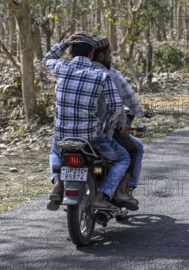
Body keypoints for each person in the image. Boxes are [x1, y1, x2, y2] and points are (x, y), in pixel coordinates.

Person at [43, 32, 138, 212]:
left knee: (54, 149)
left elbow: (46, 59)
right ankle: (101, 196)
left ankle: (57, 182)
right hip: (91, 137)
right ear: (92, 55)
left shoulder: (61, 67)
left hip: (62, 135)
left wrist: (63, 43)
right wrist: (107, 127)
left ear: (71, 53)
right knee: (123, 158)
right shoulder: (101, 75)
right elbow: (116, 107)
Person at [90, 35, 146, 194]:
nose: (111, 58)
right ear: (101, 56)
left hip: (73, 132)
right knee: (134, 150)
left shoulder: (73, 73)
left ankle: (58, 186)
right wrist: (140, 113)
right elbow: (131, 103)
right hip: (103, 133)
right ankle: (123, 189)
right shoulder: (111, 76)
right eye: (109, 54)